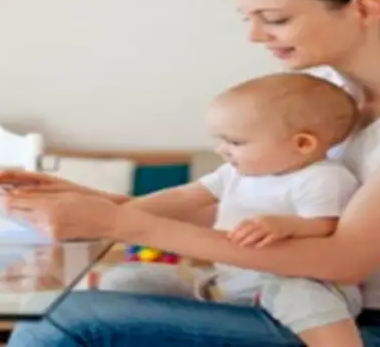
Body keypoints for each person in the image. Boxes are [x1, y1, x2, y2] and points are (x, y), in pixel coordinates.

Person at [0, 0, 380, 347]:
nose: (254, 36)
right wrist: (83, 202)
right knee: (109, 290)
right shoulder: (329, 99)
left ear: (366, 8)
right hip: (304, 310)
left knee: (67, 321)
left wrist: (121, 223)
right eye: (249, 20)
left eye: (275, 19)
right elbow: (228, 202)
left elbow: (345, 259)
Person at [99, 72, 365, 347]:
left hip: (296, 283)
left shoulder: (323, 177)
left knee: (299, 294)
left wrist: (285, 225)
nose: (221, 150)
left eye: (235, 142)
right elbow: (185, 195)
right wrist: (116, 214)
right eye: (221, 140)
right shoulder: (235, 173)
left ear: (302, 144)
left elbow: (327, 225)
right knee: (126, 279)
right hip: (228, 284)